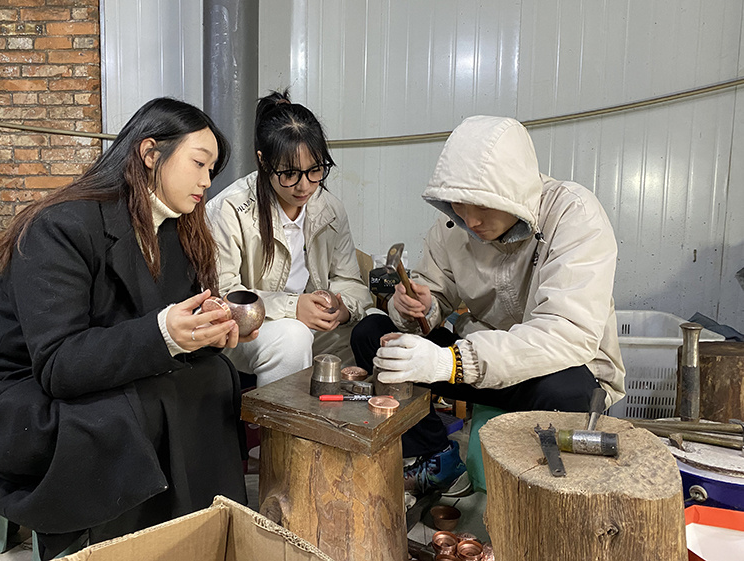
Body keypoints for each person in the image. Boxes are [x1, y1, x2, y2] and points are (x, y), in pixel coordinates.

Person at [0, 98, 256, 559]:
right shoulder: (62, 225)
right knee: (132, 413)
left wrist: (207, 333)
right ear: (150, 152)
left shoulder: (177, 233)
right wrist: (167, 335)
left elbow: (157, 339)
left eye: (212, 169)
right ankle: (117, 550)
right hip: (20, 394)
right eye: (199, 163)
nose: (206, 181)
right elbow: (58, 364)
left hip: (104, 374)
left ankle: (203, 538)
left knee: (213, 380)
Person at [351, 115, 626, 498]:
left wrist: (453, 362)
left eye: (482, 205)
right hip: (481, 362)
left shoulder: (574, 215)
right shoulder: (453, 229)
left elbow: (566, 334)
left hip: (554, 372)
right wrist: (419, 308)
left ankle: (546, 503)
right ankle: (438, 455)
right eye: (459, 205)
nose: (471, 220)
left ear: (513, 192)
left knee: (566, 391)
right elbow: (435, 298)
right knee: (374, 334)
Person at [207, 90, 372, 387]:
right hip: (248, 330)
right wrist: (292, 307)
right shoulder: (229, 209)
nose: (304, 186)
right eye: (289, 174)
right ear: (263, 161)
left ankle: (334, 428)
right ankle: (277, 431)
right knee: (291, 336)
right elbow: (224, 295)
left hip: (311, 321)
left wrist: (342, 306)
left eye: (315, 171)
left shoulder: (328, 209)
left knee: (373, 331)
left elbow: (352, 282)